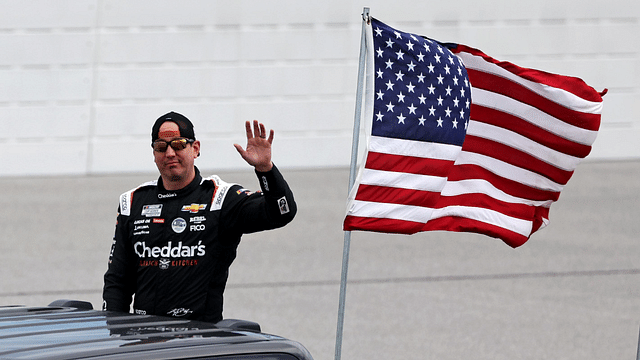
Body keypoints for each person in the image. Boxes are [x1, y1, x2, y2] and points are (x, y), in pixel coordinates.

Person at [102, 111, 297, 323]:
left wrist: (265, 169)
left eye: (178, 145)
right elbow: (117, 282)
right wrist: (114, 334)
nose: (169, 153)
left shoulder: (220, 198)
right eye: (161, 147)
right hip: (145, 341)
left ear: (195, 149)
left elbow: (281, 212)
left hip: (200, 340)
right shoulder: (132, 202)